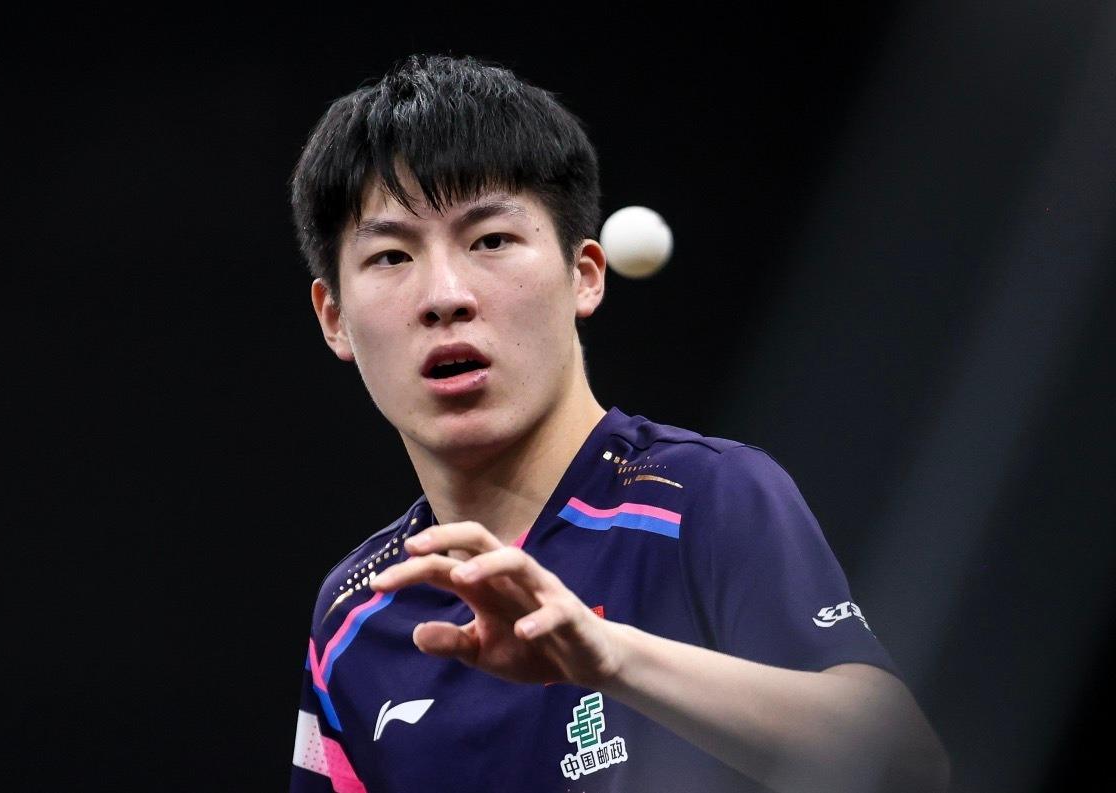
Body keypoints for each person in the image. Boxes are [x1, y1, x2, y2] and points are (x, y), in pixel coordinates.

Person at [287, 54, 949, 793]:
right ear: (334, 318)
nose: (445, 295)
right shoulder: (355, 614)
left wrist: (607, 656)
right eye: (390, 255)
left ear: (584, 276)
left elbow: (905, 762)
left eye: (490, 240)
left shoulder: (704, 496)